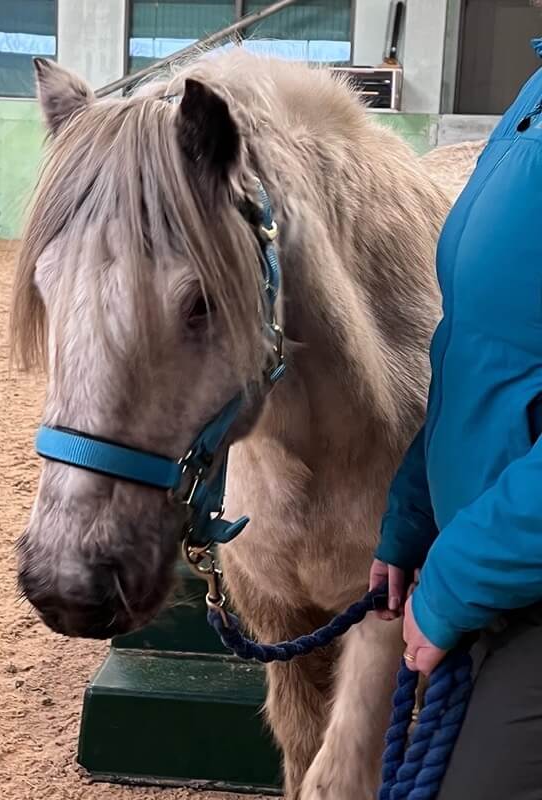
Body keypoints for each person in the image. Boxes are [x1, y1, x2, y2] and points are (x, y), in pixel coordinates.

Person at [370, 36, 542, 800]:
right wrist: (417, 507)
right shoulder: (534, 93)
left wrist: (459, 575)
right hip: (506, 567)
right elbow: (478, 345)